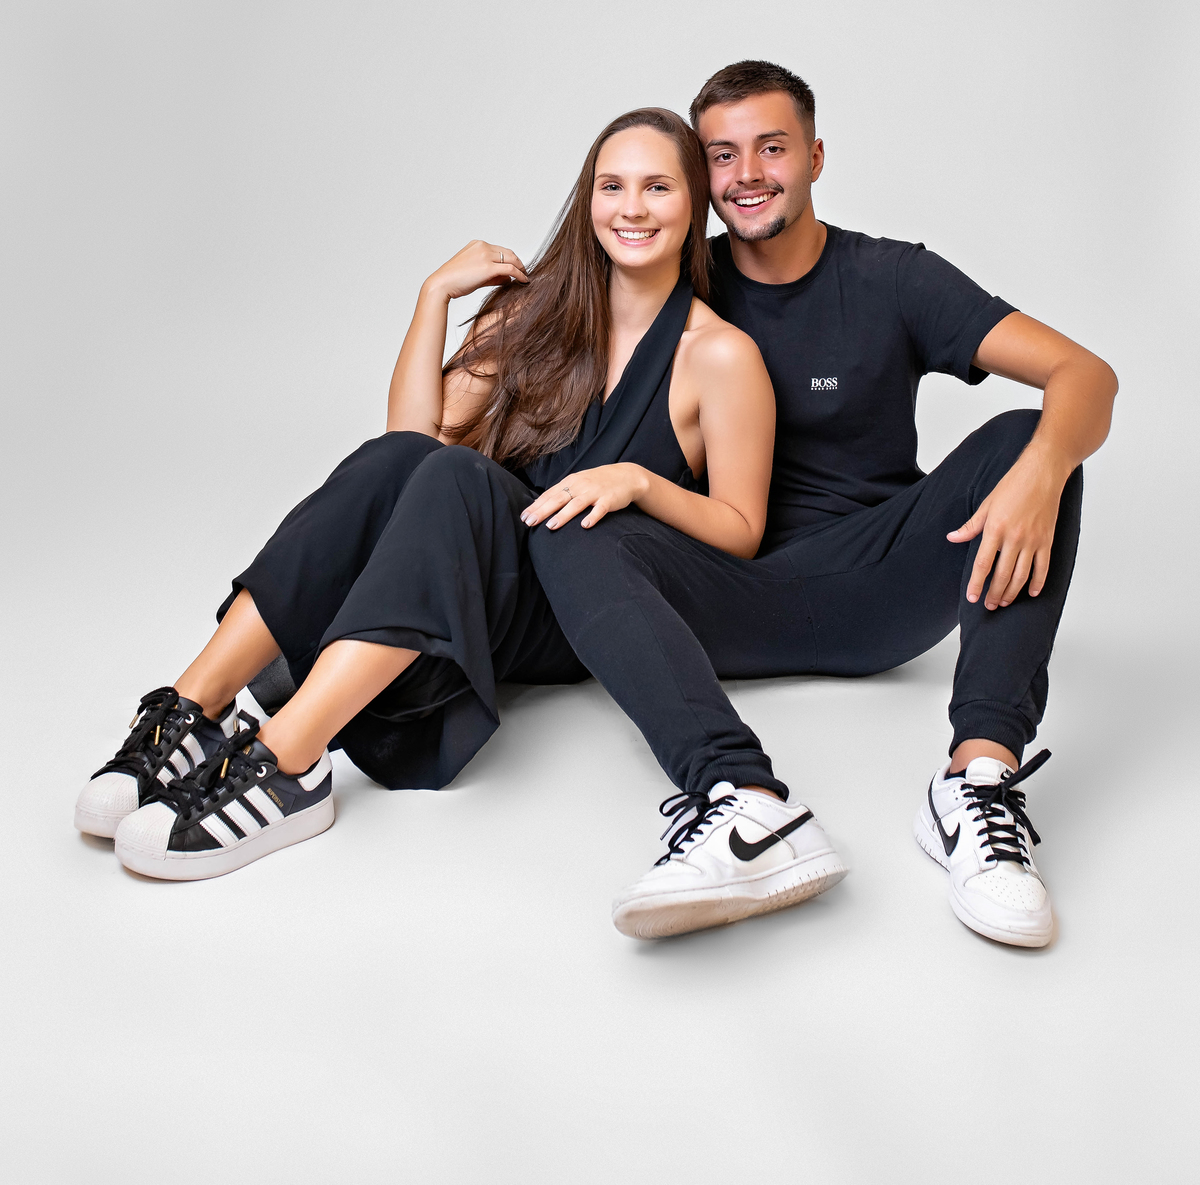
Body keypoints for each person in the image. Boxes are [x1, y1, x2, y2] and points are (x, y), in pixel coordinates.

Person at [75, 107, 848, 931]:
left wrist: (639, 484)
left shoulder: (719, 354)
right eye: (611, 186)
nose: (631, 208)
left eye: (658, 188)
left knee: (456, 473)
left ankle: (288, 760)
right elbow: (407, 449)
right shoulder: (537, 313)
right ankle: (190, 712)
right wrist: (433, 298)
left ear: (694, 204)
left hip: (570, 599)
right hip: (470, 569)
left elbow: (740, 529)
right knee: (413, 461)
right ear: (587, 200)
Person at [527, 60, 1118, 949]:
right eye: (721, 156)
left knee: (1032, 437)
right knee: (578, 517)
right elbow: (553, 363)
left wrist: (1042, 472)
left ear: (815, 157)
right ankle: (740, 806)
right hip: (721, 588)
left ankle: (978, 786)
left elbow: (1087, 374)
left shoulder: (893, 278)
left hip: (874, 586)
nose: (747, 174)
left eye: (772, 148)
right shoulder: (674, 277)